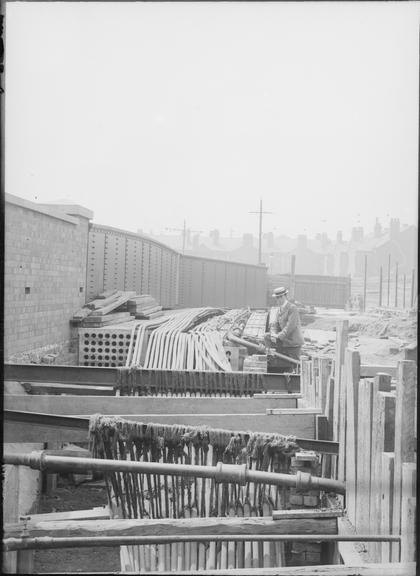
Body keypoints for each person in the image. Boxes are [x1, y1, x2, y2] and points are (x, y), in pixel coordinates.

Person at [265, 286, 304, 362]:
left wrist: (279, 335)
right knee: (267, 336)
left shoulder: (292, 308)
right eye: (277, 297)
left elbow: (290, 326)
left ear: (285, 296)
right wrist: (273, 333)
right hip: (284, 341)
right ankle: (269, 358)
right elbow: (275, 324)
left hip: (293, 342)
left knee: (294, 364)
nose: (279, 299)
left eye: (280, 297)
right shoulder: (279, 309)